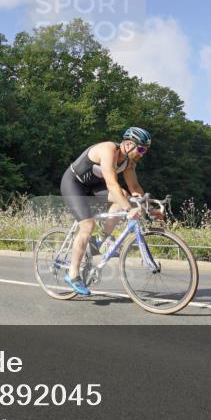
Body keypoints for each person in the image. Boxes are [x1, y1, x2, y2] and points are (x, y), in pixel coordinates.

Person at [59, 126, 158, 296]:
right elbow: (112, 184)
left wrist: (150, 208)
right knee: (87, 226)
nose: (142, 153)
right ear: (128, 145)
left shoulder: (129, 162)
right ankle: (73, 274)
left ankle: (103, 240)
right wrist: (129, 209)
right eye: (141, 149)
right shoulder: (108, 150)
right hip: (74, 184)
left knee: (125, 195)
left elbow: (135, 188)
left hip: (94, 187)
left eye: (145, 150)